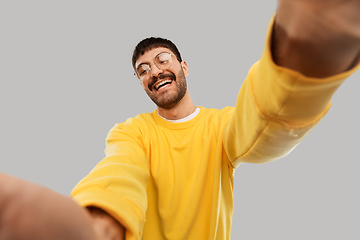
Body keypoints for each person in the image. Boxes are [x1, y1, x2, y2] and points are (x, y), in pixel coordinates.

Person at [1, 1, 360, 239]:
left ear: (183, 67)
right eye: (143, 70)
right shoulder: (133, 131)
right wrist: (100, 223)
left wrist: (301, 60)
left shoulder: (219, 127)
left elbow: (262, 127)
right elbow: (120, 172)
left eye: (162, 60)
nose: (154, 72)